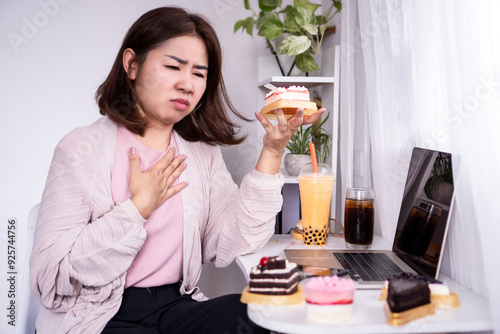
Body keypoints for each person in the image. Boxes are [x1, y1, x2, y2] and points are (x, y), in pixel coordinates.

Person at [30, 6, 325, 334]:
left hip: (174, 307)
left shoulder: (201, 154)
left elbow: (232, 240)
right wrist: (137, 209)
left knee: (258, 314)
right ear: (132, 65)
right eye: (173, 66)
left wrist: (272, 151)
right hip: (99, 315)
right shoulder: (80, 150)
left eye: (199, 73)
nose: (187, 84)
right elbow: (49, 276)